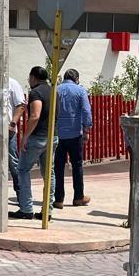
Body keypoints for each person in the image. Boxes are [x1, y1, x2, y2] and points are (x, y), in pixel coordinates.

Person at [12, 66, 55, 219]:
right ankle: (47, 211)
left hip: (37, 137)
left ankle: (26, 208)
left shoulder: (36, 92)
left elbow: (35, 115)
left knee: (23, 170)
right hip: (52, 136)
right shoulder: (53, 90)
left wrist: (25, 136)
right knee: (49, 173)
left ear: (33, 77)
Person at [52, 68, 93, 209]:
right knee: (77, 166)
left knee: (58, 167)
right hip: (75, 134)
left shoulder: (56, 90)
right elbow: (86, 111)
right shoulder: (80, 91)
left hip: (58, 135)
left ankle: (58, 199)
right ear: (77, 79)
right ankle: (78, 197)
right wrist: (87, 129)